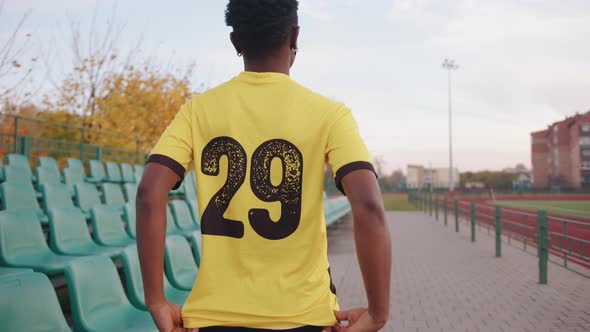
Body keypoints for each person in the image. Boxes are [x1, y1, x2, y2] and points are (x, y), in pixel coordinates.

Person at [136, 1, 391, 331]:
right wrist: (378, 313)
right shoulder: (330, 114)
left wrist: (155, 300)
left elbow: (148, 193)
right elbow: (369, 203)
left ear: (235, 42)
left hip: (214, 319)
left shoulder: (197, 111)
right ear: (295, 36)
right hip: (304, 318)